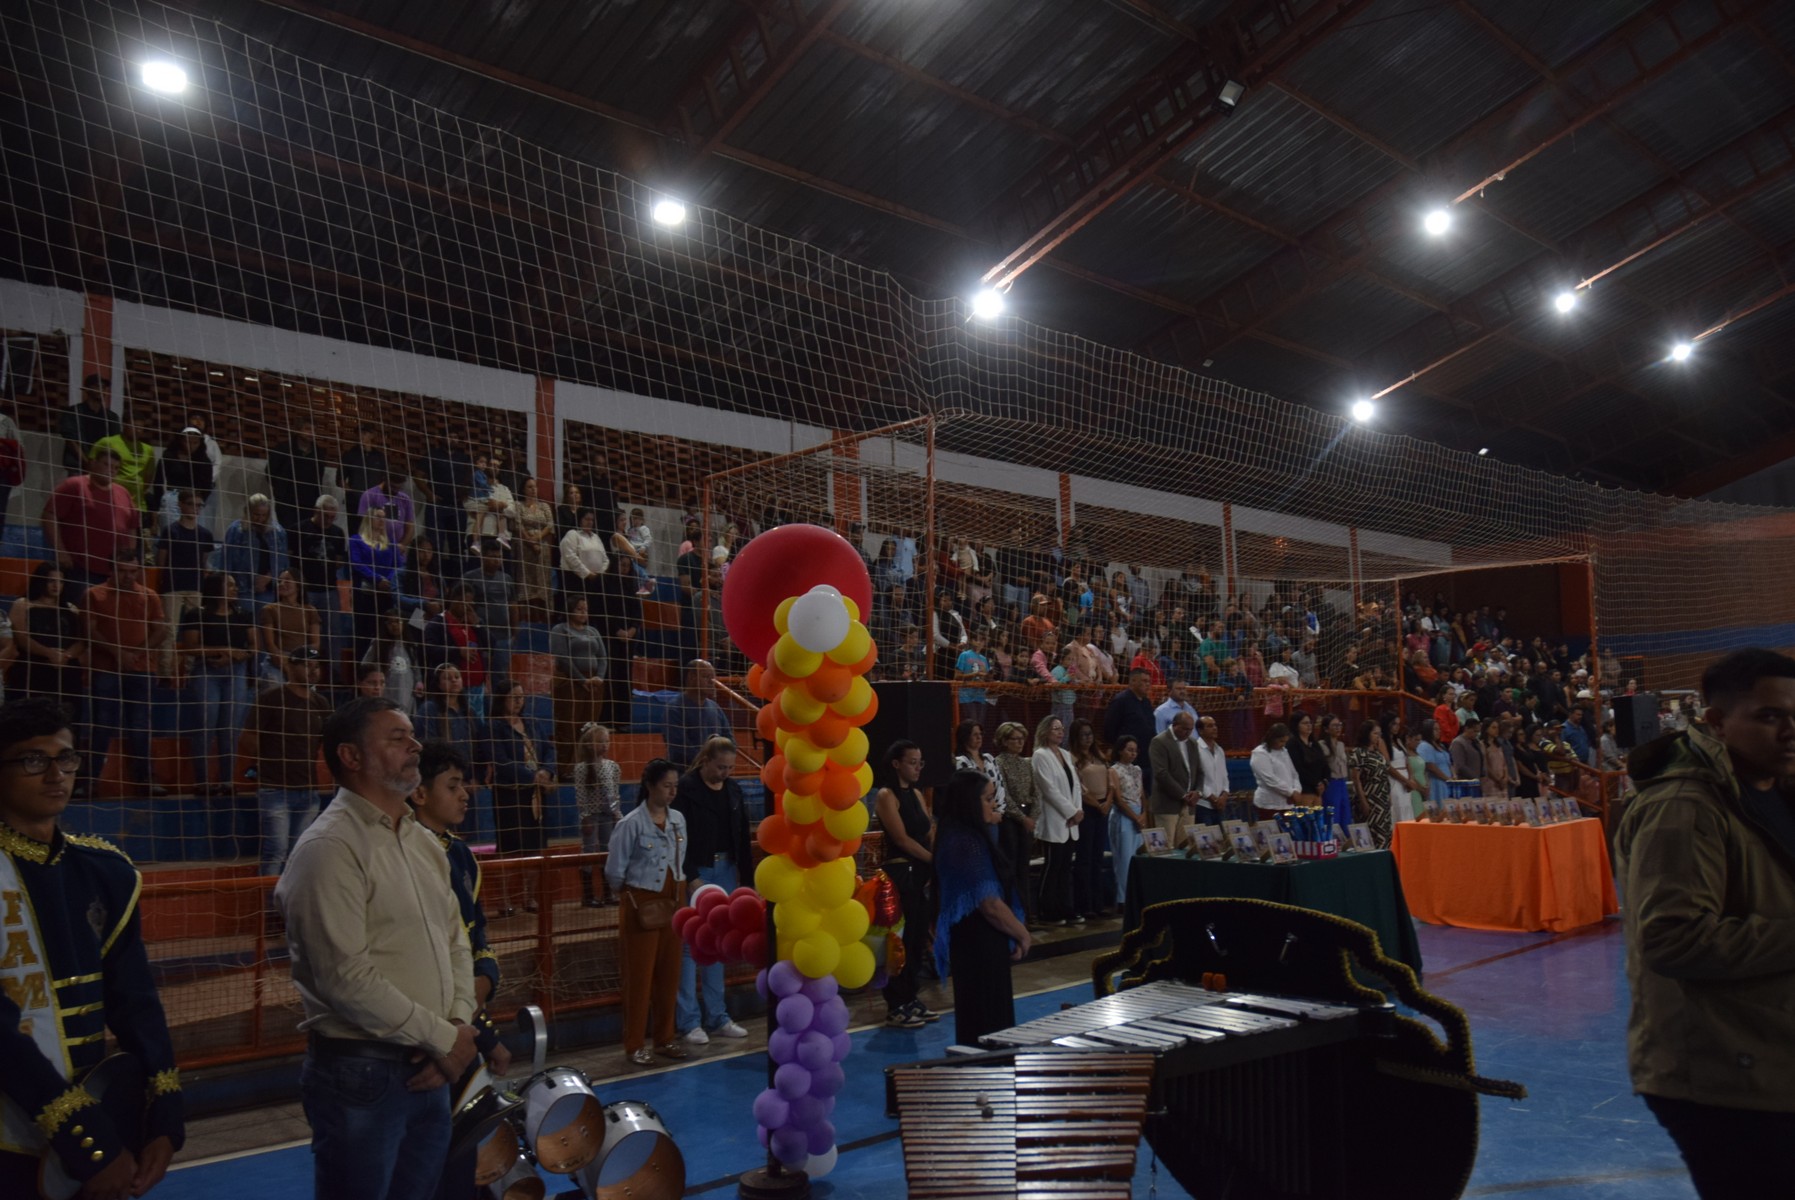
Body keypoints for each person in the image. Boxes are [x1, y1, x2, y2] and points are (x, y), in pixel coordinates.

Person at [273, 697, 477, 1200]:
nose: (414, 747)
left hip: (430, 1065)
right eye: (396, 738)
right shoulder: (329, 849)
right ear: (351, 756)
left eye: (412, 735)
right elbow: (343, 979)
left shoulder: (422, 842)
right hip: (361, 1075)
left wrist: (457, 1024)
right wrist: (445, 1038)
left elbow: (455, 939)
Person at [1614, 649, 1795, 1198]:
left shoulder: (1773, 790)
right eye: (1770, 717)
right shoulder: (1685, 807)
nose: (1790, 731)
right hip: (1722, 1076)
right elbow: (1674, 940)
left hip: (1769, 1055)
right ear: (1715, 721)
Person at [0, 697, 185, 1199]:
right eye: (32, 760)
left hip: (97, 1112)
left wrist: (164, 1117)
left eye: (66, 758)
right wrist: (89, 1143)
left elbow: (136, 1001)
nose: (55, 773)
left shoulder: (106, 871)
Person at [932, 767, 1030, 1047]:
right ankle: (989, 1074)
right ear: (969, 802)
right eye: (987, 799)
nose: (993, 804)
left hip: (977, 944)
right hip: (979, 945)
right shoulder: (964, 842)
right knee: (987, 1020)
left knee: (982, 1018)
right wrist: (1022, 933)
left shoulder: (962, 833)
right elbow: (989, 903)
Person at [606, 758, 689, 1066]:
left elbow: (681, 860)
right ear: (650, 786)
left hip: (674, 898)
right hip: (641, 901)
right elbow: (615, 871)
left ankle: (665, 1038)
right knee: (639, 978)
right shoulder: (630, 824)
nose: (672, 792)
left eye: (675, 786)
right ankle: (635, 1044)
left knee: (670, 975)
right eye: (666, 786)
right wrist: (634, 895)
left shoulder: (679, 819)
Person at [673, 736, 752, 1044]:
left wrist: (746, 877)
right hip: (699, 870)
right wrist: (689, 875)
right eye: (720, 767)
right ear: (705, 760)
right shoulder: (686, 790)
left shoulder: (733, 790)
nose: (725, 773)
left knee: (717, 944)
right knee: (691, 946)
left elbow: (742, 833)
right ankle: (689, 1020)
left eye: (730, 768)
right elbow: (678, 837)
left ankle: (717, 1015)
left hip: (726, 868)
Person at [82, 551, 169, 799]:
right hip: (106, 668)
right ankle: (90, 780)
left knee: (141, 726)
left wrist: (136, 654)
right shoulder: (93, 594)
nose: (128, 576)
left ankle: (145, 778)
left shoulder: (149, 595)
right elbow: (89, 631)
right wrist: (118, 653)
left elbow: (160, 631)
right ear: (111, 570)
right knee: (102, 725)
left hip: (141, 670)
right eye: (122, 570)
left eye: (133, 571)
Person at [244, 646, 332, 877]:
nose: (313, 671)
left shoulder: (320, 702)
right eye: (306, 665)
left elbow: (328, 740)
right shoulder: (272, 698)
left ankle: (289, 906)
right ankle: (270, 909)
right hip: (275, 787)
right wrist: (267, 762)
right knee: (276, 850)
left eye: (316, 666)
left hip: (307, 788)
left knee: (299, 851)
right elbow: (248, 737)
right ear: (290, 667)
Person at [873, 739, 939, 1027]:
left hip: (921, 872)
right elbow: (901, 839)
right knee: (898, 942)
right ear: (896, 763)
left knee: (916, 940)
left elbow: (928, 828)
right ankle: (895, 1003)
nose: (917, 768)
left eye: (920, 762)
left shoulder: (916, 793)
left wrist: (937, 853)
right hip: (901, 875)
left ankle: (911, 996)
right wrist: (932, 859)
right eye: (912, 762)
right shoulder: (887, 795)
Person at [179, 572, 259, 797]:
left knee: (230, 730)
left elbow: (254, 646)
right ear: (216, 589)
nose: (235, 589)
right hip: (207, 670)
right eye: (230, 585)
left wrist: (236, 656)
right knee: (205, 725)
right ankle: (202, 781)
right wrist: (222, 651)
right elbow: (190, 647)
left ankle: (227, 780)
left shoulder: (244, 615)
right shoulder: (197, 614)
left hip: (237, 671)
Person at [486, 680, 556, 915]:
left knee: (535, 847)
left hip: (536, 795)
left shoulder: (532, 723)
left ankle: (529, 897)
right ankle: (504, 900)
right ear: (502, 699)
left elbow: (549, 749)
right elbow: (500, 761)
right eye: (513, 697)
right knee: (508, 847)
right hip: (509, 794)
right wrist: (531, 775)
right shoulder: (494, 727)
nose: (518, 702)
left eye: (521, 697)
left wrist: (547, 771)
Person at [44, 445, 137, 604]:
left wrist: (129, 558)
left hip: (114, 573)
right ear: (93, 463)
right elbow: (49, 515)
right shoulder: (74, 485)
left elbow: (132, 527)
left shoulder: (123, 492)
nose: (111, 470)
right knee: (80, 614)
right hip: (80, 568)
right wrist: (60, 551)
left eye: (116, 467)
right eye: (106, 465)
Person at [7, 562, 86, 720]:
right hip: (33, 668)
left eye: (61, 581)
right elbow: (21, 638)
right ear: (41, 581)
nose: (56, 586)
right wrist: (49, 653)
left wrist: (66, 656)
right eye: (51, 581)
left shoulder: (71, 608)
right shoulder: (23, 605)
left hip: (65, 668)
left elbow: (82, 640)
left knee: (67, 715)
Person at [155, 489, 217, 676]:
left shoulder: (205, 534)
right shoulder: (171, 530)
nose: (195, 508)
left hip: (195, 587)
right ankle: (165, 673)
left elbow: (203, 561)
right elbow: (161, 561)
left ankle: (191, 672)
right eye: (191, 504)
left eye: (199, 505)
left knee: (194, 631)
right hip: (172, 586)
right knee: (169, 631)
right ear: (181, 505)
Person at [1029, 716, 1083, 927]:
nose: (1060, 732)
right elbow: (1049, 789)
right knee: (1052, 866)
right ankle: (1047, 909)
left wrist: (1077, 810)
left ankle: (1065, 907)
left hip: (1071, 819)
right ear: (1045, 731)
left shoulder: (1067, 755)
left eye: (1061, 729)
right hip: (1054, 817)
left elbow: (1076, 785)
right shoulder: (1040, 755)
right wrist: (1070, 812)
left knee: (1065, 867)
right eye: (1055, 729)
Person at [991, 721, 1040, 928]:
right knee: (1010, 867)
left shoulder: (1026, 763)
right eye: (1015, 739)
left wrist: (1034, 816)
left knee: (1024, 867)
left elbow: (1036, 792)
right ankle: (1013, 912)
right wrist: (1022, 817)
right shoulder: (999, 762)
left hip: (1027, 816)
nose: (1019, 743)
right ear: (1004, 741)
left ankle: (1028, 912)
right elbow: (1004, 795)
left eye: (1022, 739)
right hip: (1011, 819)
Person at [552, 597, 609, 762]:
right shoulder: (560, 629)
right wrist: (582, 680)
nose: (584, 613)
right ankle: (565, 767)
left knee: (589, 725)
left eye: (585, 609)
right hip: (569, 682)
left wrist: (599, 677)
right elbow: (562, 658)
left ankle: (587, 764)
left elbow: (603, 657)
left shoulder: (593, 631)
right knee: (568, 726)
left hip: (594, 684)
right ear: (569, 610)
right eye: (579, 609)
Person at [1068, 719, 1112, 919]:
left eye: (1090, 734)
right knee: (1084, 859)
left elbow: (1111, 782)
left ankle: (1098, 903)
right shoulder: (1072, 758)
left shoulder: (1099, 756)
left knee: (1097, 858)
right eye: (1083, 735)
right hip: (1087, 808)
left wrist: (1108, 802)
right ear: (1076, 737)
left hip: (1103, 807)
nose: (1087, 738)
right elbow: (1079, 788)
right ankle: (1084, 904)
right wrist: (1097, 804)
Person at [574, 722, 620, 907]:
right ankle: (588, 894)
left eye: (606, 741)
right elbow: (581, 794)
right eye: (600, 741)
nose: (604, 745)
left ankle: (608, 893)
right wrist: (585, 816)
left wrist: (617, 813)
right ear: (588, 744)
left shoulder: (613, 767)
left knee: (606, 851)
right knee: (589, 851)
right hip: (591, 816)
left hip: (608, 815)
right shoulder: (581, 768)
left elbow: (614, 792)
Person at [349, 507, 403, 662]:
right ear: (368, 519)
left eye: (383, 517)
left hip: (386, 593)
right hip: (365, 594)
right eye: (378, 517)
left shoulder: (391, 542)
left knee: (384, 631)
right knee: (365, 632)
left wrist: (388, 581)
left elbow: (399, 565)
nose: (381, 520)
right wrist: (378, 579)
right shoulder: (356, 540)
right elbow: (357, 564)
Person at [221, 493, 289, 613]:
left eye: (264, 515)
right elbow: (227, 560)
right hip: (242, 587)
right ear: (248, 512)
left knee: (264, 623)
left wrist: (269, 577)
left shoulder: (277, 532)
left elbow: (283, 561)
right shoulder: (236, 530)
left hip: (267, 588)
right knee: (245, 622)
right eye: (256, 514)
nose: (260, 519)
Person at [267, 417, 329, 544]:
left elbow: (319, 477)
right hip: (287, 503)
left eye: (314, 430)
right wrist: (280, 490)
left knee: (306, 538)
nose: (311, 433)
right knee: (288, 536)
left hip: (309, 503)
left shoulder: (319, 452)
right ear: (298, 430)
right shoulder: (283, 449)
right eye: (307, 429)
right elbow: (270, 473)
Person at [1147, 710, 1203, 845]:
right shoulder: (1159, 742)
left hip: (1189, 806)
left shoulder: (1193, 743)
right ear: (1175, 725)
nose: (1188, 733)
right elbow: (1161, 773)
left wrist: (1198, 792)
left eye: (1191, 729)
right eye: (1185, 729)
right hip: (1167, 805)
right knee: (1166, 849)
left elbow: (1199, 771)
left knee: (1186, 848)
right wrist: (1183, 795)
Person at [663, 659, 729, 770]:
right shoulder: (675, 708)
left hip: (714, 773)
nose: (712, 681)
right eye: (706, 677)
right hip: (685, 774)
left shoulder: (715, 708)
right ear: (691, 677)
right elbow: (679, 747)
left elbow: (728, 738)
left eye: (713, 677)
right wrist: (708, 763)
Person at [1103, 666, 1158, 795]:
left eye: (1148, 681)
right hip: (1127, 761)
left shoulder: (1146, 703)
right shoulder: (1121, 701)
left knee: (1146, 796)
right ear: (1132, 681)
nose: (1147, 684)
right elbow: (1109, 729)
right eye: (1143, 681)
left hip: (1146, 759)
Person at [362, 602, 421, 716]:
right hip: (387, 691)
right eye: (390, 622)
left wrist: (419, 682)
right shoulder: (378, 644)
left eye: (397, 621)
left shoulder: (410, 646)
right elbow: (365, 665)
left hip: (406, 691)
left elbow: (416, 668)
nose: (394, 625)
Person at [1108, 734, 1147, 907]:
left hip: (1139, 815)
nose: (1133, 754)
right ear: (1120, 750)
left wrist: (1144, 814)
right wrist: (1134, 817)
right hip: (1124, 815)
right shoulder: (1114, 770)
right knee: (1124, 859)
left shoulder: (1137, 770)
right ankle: (1122, 899)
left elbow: (1142, 794)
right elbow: (1118, 798)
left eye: (1135, 751)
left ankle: (1136, 895)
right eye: (1129, 750)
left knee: (1138, 857)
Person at [58, 373, 121, 474]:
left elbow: (114, 443)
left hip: (103, 468)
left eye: (104, 387)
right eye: (97, 386)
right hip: (77, 466)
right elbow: (71, 440)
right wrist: (87, 463)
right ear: (87, 389)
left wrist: (103, 465)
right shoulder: (74, 412)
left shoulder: (111, 417)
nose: (102, 390)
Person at [1348, 722, 1396, 846]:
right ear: (1367, 734)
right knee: (1371, 832)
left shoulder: (1378, 753)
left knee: (1385, 832)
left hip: (1382, 796)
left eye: (1379, 734)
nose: (1377, 736)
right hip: (1370, 795)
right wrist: (1363, 800)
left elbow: (1385, 772)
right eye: (1375, 733)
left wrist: (1388, 795)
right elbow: (1356, 779)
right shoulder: (1358, 753)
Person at [512, 479, 556, 610]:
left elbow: (550, 525)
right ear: (524, 489)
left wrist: (537, 538)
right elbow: (518, 524)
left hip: (542, 546)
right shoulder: (518, 505)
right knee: (526, 581)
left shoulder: (544, 506)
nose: (533, 489)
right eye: (529, 487)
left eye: (535, 486)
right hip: (524, 547)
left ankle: (543, 613)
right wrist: (530, 542)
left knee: (542, 581)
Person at [1251, 723, 1305, 812]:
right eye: (1281, 741)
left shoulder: (1284, 751)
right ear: (1272, 738)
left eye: (1285, 742)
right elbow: (1269, 779)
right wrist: (1290, 792)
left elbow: (1294, 774)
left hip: (1287, 804)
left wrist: (1297, 790)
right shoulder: (1260, 753)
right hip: (1269, 805)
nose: (1283, 744)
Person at [1317, 714, 1353, 830]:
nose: (1338, 728)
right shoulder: (1321, 745)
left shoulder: (1341, 745)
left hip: (1342, 782)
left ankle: (1346, 842)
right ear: (1326, 729)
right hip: (1331, 784)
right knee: (1333, 815)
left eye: (1339, 725)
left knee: (1345, 813)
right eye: (1334, 725)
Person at [955, 624, 992, 730]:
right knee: (972, 726)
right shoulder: (965, 655)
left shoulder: (984, 659)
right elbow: (957, 676)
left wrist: (989, 677)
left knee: (980, 726)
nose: (979, 643)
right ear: (971, 641)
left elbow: (986, 678)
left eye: (982, 640)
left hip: (980, 697)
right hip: (966, 697)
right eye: (976, 640)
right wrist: (975, 674)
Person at [1417, 719, 1455, 806]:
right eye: (1435, 729)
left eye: (1439, 729)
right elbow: (1430, 766)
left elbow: (1449, 763)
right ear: (1428, 730)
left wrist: (1453, 775)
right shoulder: (1424, 745)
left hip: (1447, 781)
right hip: (1437, 782)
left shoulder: (1441, 745)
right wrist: (1447, 778)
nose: (1438, 731)